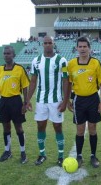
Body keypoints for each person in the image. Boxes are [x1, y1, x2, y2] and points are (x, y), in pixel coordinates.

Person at [26, 36, 69, 167]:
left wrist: (65, 101)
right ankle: (42, 154)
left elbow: (66, 81)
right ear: (42, 44)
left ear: (53, 44)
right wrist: (27, 100)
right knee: (40, 126)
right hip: (40, 101)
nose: (48, 45)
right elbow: (33, 81)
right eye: (45, 43)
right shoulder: (36, 61)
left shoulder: (61, 60)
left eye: (50, 42)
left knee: (57, 127)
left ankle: (61, 156)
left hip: (56, 101)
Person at [67, 36, 101, 168]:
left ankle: (93, 155)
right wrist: (68, 100)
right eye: (80, 46)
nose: (83, 49)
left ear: (89, 48)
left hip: (93, 99)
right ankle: (78, 156)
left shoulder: (95, 63)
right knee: (80, 130)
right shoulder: (71, 64)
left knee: (93, 129)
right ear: (76, 48)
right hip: (78, 100)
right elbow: (68, 83)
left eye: (85, 46)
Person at [0, 45, 30, 164]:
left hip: (16, 101)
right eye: (4, 53)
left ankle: (23, 152)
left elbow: (25, 87)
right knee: (6, 127)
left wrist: (25, 103)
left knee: (18, 127)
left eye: (8, 53)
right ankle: (7, 151)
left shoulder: (20, 69)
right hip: (3, 101)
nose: (6, 55)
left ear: (13, 55)